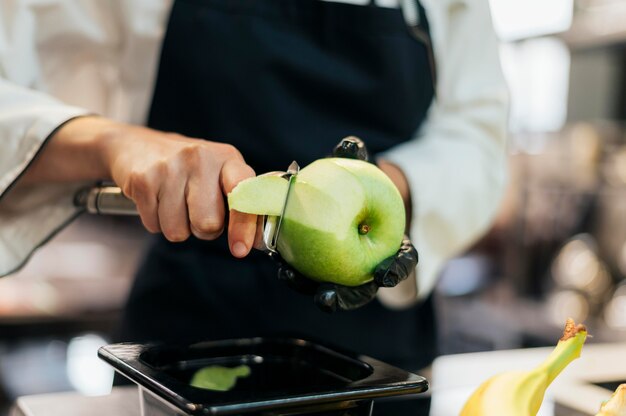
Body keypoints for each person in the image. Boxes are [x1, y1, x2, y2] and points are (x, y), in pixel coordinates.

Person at [0, 0, 508, 413]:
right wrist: (115, 143)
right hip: (187, 341)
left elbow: (478, 136)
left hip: (377, 366)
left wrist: (386, 187)